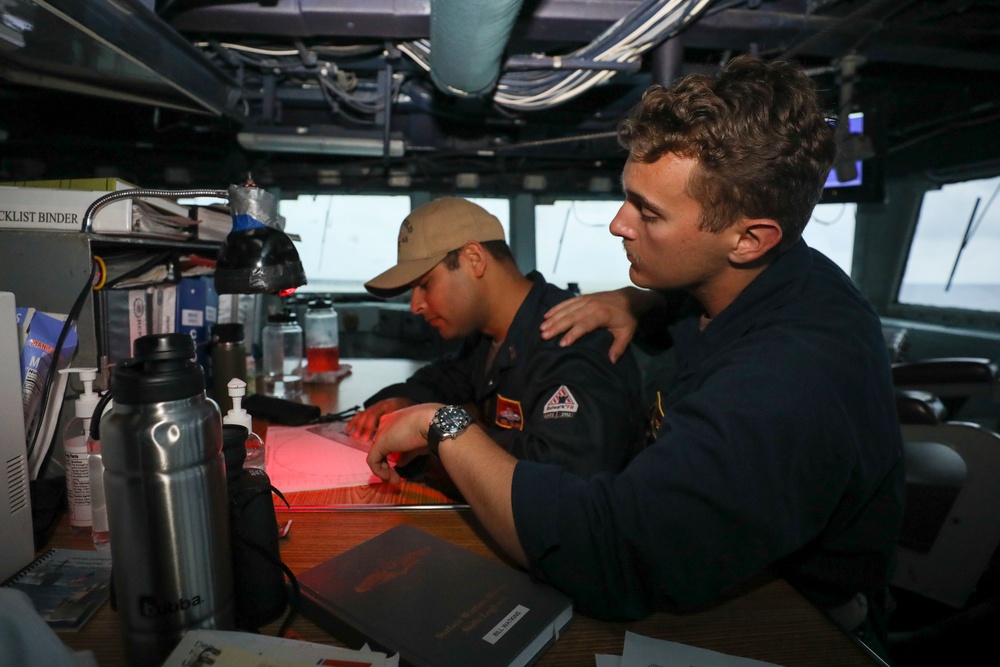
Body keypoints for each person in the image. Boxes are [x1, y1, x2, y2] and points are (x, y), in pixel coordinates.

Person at [365, 55, 905, 658]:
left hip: (795, 620)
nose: (620, 224)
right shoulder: (754, 282)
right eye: (630, 199)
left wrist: (446, 426)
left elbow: (611, 557)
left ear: (749, 239)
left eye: (649, 212)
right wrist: (639, 300)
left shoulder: (791, 375)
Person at [346, 196, 646, 479]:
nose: (415, 305)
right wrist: (404, 401)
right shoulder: (491, 337)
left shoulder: (571, 340)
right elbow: (445, 378)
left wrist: (442, 440)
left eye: (424, 284)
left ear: (474, 258)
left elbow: (563, 476)